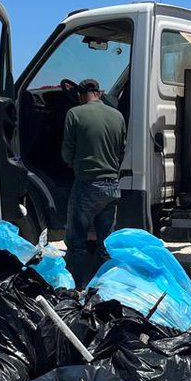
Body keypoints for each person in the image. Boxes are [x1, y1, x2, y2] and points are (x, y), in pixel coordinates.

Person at [61, 78, 126, 284]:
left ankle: (74, 288)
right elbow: (120, 151)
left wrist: (73, 163)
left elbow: (66, 152)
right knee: (106, 244)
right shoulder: (117, 116)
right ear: (99, 93)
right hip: (112, 186)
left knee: (76, 241)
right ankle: (104, 285)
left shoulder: (75, 113)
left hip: (87, 184)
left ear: (81, 95)